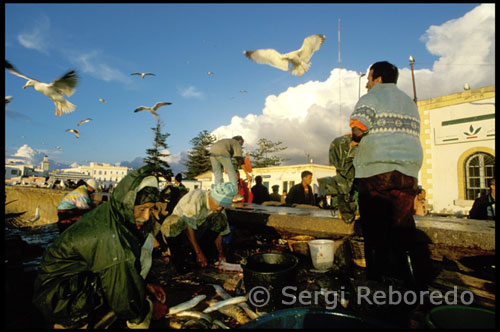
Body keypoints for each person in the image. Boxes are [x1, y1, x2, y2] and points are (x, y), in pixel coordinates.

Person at [33, 165, 167, 329]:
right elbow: (122, 297)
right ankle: (69, 323)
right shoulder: (110, 235)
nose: (146, 217)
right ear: (127, 203)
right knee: (125, 297)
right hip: (57, 298)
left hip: (70, 283)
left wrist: (143, 285)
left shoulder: (112, 213)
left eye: (151, 209)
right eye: (141, 209)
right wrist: (147, 311)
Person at [349, 61, 424, 289]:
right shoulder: (408, 103)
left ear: (378, 78)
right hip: (408, 172)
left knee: (374, 230)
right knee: (403, 228)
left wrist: (355, 138)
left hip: (377, 172)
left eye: (369, 79)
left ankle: (376, 286)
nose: (367, 85)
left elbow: (358, 127)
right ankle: (413, 285)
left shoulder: (372, 97)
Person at [159, 182, 237, 271]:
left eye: (222, 206)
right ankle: (178, 259)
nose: (219, 208)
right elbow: (188, 227)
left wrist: (220, 253)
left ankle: (201, 255)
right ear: (211, 196)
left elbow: (219, 231)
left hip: (198, 234)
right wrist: (198, 253)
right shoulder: (196, 198)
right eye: (218, 204)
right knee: (172, 222)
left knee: (220, 218)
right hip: (181, 234)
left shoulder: (219, 209)